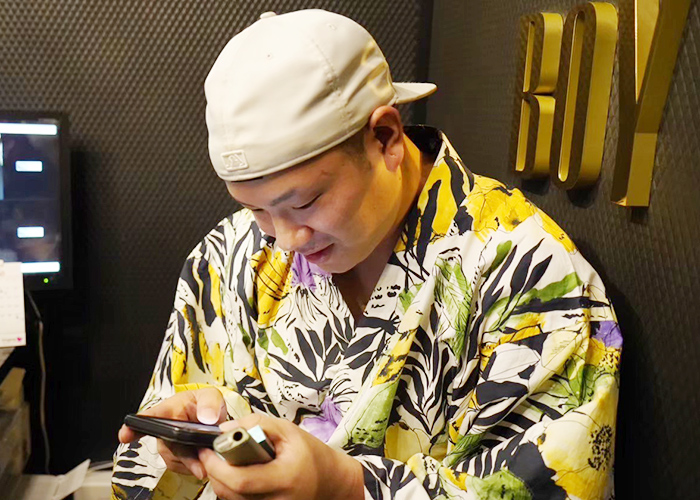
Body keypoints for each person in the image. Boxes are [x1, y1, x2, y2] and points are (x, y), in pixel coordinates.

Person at [112, 9, 621, 500]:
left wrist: (346, 486)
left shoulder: (530, 275)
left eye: (304, 202)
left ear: (385, 138)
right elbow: (151, 467)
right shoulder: (231, 254)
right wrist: (204, 430)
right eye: (257, 209)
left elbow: (551, 483)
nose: (285, 239)